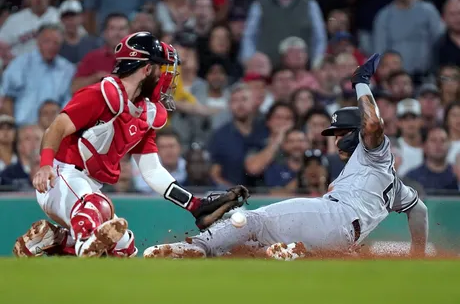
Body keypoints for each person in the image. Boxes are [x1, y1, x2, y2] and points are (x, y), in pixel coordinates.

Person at [144, 54, 428, 259]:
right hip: (341, 238)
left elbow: (374, 125)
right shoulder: (393, 184)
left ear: (358, 132)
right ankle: (289, 253)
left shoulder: (374, 154)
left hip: (334, 217)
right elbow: (419, 211)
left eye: (342, 133)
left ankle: (195, 247)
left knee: (253, 222)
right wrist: (418, 254)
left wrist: (361, 82)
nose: (338, 140)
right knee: (252, 248)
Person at [13, 32, 249, 258]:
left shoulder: (145, 113)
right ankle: (85, 243)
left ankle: (54, 238)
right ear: (147, 69)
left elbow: (152, 170)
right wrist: (44, 166)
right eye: (163, 69)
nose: (168, 77)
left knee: (124, 247)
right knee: (99, 207)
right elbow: (56, 127)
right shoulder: (99, 94)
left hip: (87, 188)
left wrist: (193, 204)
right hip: (60, 177)